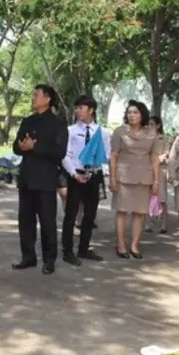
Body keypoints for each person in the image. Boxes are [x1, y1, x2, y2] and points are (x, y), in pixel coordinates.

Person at [12, 84, 68, 275]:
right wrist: (24, 147)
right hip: (27, 177)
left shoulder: (58, 124)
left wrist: (35, 148)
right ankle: (27, 257)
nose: (33, 98)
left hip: (45, 179)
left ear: (47, 99)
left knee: (47, 221)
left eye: (36, 95)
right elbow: (16, 146)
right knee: (25, 220)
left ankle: (49, 259)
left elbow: (59, 152)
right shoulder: (27, 121)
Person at [60, 95, 111, 265]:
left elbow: (108, 155)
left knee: (90, 214)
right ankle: (67, 250)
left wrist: (99, 172)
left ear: (91, 110)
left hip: (94, 175)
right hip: (75, 175)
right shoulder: (70, 131)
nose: (77, 111)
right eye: (76, 108)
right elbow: (65, 155)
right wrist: (74, 173)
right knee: (71, 213)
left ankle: (84, 248)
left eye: (81, 108)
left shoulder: (102, 132)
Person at [109, 100, 161, 260]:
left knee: (140, 213)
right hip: (123, 175)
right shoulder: (119, 131)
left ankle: (135, 245)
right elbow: (113, 156)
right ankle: (121, 245)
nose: (132, 115)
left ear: (142, 114)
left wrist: (156, 180)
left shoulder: (152, 133)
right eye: (129, 112)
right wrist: (112, 178)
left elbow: (154, 158)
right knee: (122, 211)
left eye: (135, 112)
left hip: (144, 176)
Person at [146, 116, 170, 234]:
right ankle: (147, 223)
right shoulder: (144, 138)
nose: (150, 127)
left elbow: (166, 153)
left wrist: (157, 160)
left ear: (158, 125)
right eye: (148, 124)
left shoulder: (164, 139)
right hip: (146, 170)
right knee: (145, 196)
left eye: (152, 124)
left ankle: (164, 223)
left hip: (160, 170)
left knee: (162, 197)